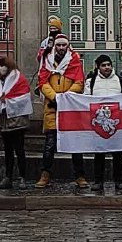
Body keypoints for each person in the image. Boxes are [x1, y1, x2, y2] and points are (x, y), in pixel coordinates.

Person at [35, 33, 88, 189]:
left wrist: (66, 98)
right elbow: (43, 82)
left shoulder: (75, 61)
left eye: (63, 45)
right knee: (49, 144)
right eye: (58, 45)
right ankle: (45, 174)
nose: (61, 48)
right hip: (52, 107)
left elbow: (79, 82)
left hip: (70, 109)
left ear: (67, 46)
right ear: (55, 46)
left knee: (75, 144)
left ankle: (80, 175)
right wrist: (55, 98)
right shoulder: (47, 61)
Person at [84, 55, 122, 193]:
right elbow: (86, 100)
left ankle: (119, 180)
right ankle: (98, 181)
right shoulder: (91, 82)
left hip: (116, 124)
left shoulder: (120, 81)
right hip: (99, 124)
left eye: (108, 64)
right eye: (103, 65)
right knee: (99, 155)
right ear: (98, 67)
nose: (107, 67)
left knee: (118, 154)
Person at [0, 56, 32, 189]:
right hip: (5, 119)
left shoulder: (18, 79)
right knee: (8, 150)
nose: (0, 68)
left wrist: (6, 101)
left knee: (19, 150)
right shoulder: (1, 82)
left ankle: (22, 177)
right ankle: (8, 177)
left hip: (17, 120)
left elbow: (24, 97)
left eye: (3, 66)